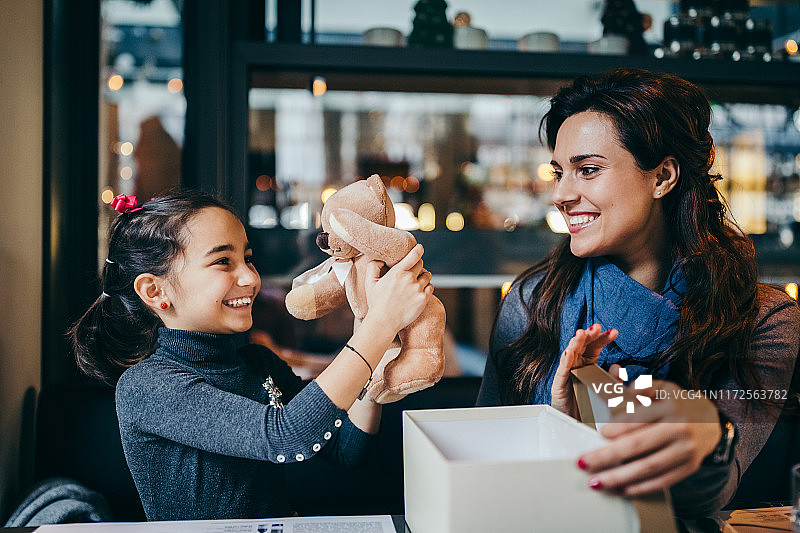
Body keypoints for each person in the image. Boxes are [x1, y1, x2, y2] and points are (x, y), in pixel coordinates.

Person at [477, 68, 800, 524]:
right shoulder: (533, 301)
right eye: (559, 172)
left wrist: (706, 433)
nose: (561, 194)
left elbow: (713, 492)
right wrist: (561, 429)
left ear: (662, 176)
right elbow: (484, 461)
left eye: (588, 170)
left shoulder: (764, 320)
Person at [69, 190, 434, 521]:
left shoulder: (259, 363)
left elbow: (345, 450)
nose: (250, 278)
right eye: (222, 262)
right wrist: (380, 325)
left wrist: (374, 336)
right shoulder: (147, 386)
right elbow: (287, 436)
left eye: (247, 258)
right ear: (155, 290)